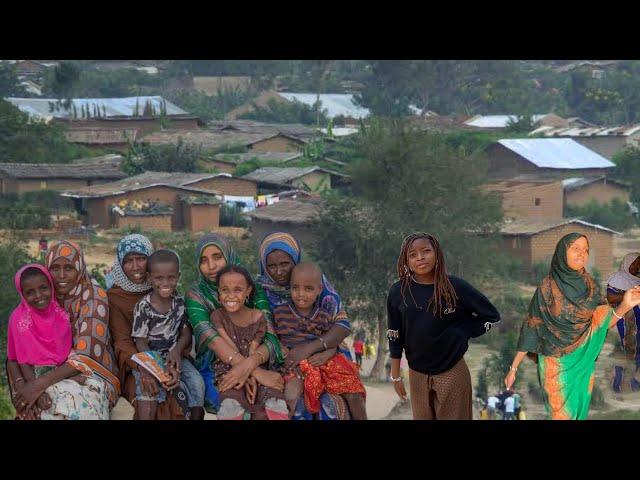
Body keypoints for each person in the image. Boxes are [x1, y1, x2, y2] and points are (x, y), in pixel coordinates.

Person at [505, 233, 640, 420]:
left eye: (586, 250)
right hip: (555, 364)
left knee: (579, 414)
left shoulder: (590, 287)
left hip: (583, 364)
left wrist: (626, 305)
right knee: (562, 415)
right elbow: (531, 329)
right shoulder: (547, 288)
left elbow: (600, 325)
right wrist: (513, 369)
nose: (582, 254)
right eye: (576, 249)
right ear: (562, 253)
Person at [387, 232, 501, 420]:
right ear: (406, 261)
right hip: (417, 373)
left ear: (437, 253)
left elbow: (492, 316)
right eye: (413, 255)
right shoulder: (398, 292)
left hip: (452, 370)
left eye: (426, 251)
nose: (420, 258)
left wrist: (464, 332)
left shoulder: (455, 287)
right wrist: (396, 375)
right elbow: (394, 335)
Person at [8, 241, 120, 419]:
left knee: (70, 407)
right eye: (55, 268)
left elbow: (86, 356)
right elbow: (15, 354)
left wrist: (38, 386)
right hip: (44, 374)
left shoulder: (93, 296)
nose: (61, 275)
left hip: (92, 372)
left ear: (79, 267)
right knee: (34, 409)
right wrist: (24, 388)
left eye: (68, 268)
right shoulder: (41, 298)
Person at [256, 231, 355, 420]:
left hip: (323, 349)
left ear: (295, 260)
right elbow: (265, 330)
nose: (279, 271)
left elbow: (342, 324)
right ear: (264, 266)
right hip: (280, 355)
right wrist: (289, 355)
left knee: (339, 400)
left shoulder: (316, 280)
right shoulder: (260, 290)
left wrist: (310, 349)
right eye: (272, 266)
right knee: (287, 402)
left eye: (285, 264)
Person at [185, 233, 284, 414]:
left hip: (259, 360)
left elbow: (270, 337)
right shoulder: (196, 295)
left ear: (229, 255)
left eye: (217, 257)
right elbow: (213, 340)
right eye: (204, 260)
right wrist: (253, 372)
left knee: (272, 403)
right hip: (215, 367)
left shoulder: (252, 288)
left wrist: (250, 366)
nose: (211, 266)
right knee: (232, 405)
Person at [107, 233, 188, 419]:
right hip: (134, 364)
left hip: (168, 359)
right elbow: (122, 342)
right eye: (128, 261)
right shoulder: (115, 297)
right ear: (120, 264)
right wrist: (146, 367)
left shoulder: (163, 285)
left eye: (141, 259)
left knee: (182, 398)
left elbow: (180, 327)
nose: (135, 266)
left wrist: (172, 358)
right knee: (149, 396)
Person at [273, 262, 367, 420]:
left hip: (323, 364)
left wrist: (326, 355)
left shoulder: (324, 315)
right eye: (296, 287)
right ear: (289, 287)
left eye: (308, 289)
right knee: (291, 395)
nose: (301, 294)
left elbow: (333, 343)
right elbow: (275, 339)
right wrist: (284, 353)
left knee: (353, 392)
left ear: (320, 290)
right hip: (295, 366)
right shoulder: (280, 313)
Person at [6, 264, 92, 419]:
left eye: (43, 288)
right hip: (32, 376)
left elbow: (70, 353)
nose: (39, 295)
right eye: (30, 292)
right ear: (22, 294)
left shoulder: (61, 314)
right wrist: (36, 392)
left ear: (51, 286)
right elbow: (21, 359)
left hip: (62, 373)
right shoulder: (19, 319)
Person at [131, 249, 205, 420]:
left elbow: (186, 334)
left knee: (197, 383)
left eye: (171, 277)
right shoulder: (143, 307)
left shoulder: (179, 302)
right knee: (147, 390)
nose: (165, 283)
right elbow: (140, 342)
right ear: (149, 278)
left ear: (178, 276)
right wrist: (154, 364)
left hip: (175, 356)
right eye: (159, 278)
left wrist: (176, 352)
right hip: (150, 357)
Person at [210, 265, 288, 420]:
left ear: (248, 291)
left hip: (258, 365)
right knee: (230, 403)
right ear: (218, 291)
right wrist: (249, 373)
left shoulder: (257, 316)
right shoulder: (217, 316)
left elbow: (256, 345)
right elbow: (228, 346)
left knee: (274, 401)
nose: (230, 296)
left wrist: (251, 370)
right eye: (225, 290)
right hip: (230, 369)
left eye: (238, 290)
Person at [606, 252, 640, 393]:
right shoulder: (616, 279)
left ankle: (633, 382)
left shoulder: (638, 280)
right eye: (635, 263)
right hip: (622, 324)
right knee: (624, 352)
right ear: (627, 263)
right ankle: (617, 384)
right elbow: (611, 298)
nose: (637, 266)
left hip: (637, 323)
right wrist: (629, 295)